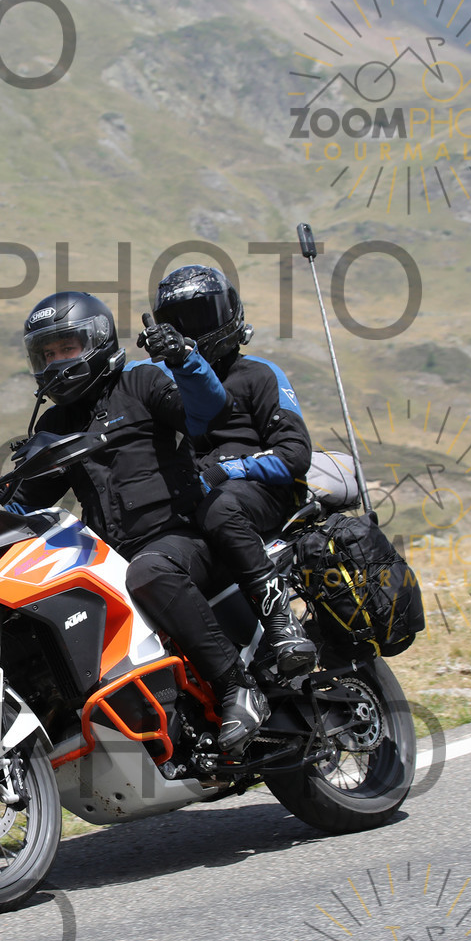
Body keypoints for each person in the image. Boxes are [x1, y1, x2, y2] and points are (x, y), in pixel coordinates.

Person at [9, 290, 268, 753]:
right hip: (118, 559)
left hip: (184, 537)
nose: (56, 361)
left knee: (149, 571)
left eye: (66, 347)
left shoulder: (142, 382)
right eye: (47, 353)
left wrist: (185, 360)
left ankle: (237, 687)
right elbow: (25, 503)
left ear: (97, 341)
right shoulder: (54, 426)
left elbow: (208, 412)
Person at [152, 264, 318, 677]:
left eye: (201, 316)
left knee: (221, 508)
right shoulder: (167, 389)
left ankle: (281, 621)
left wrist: (232, 469)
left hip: (265, 494)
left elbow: (295, 454)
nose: (191, 329)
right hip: (204, 503)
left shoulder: (259, 374)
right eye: (178, 322)